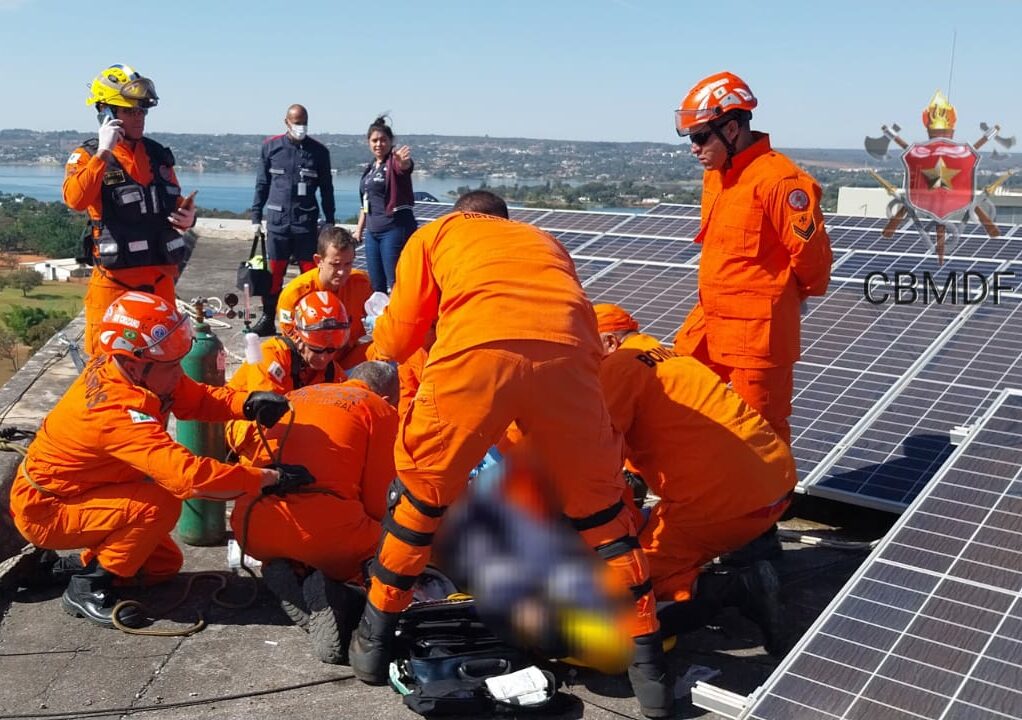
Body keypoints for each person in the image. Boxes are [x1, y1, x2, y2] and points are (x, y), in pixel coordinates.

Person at [349, 190, 674, 719]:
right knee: (608, 521)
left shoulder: (436, 234)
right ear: (506, 220)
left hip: (477, 355)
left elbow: (399, 334)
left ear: (462, 214)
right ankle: (651, 677)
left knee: (417, 507)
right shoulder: (543, 241)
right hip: (567, 361)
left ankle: (373, 643)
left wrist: (375, 346)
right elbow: (577, 320)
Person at [8, 291, 295, 628]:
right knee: (160, 504)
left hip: (84, 491)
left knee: (162, 567)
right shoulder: (115, 411)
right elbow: (189, 477)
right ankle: (89, 585)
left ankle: (90, 562)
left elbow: (195, 398)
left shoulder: (135, 372)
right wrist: (265, 479)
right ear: (134, 363)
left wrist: (246, 405)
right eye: (171, 366)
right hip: (47, 509)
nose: (178, 373)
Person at [594, 303, 795, 653]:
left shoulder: (617, 369)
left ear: (609, 342)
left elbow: (592, 450)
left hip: (726, 506)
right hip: (776, 484)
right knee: (648, 532)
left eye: (584, 349)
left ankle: (739, 590)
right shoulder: (669, 356)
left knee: (623, 583)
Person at [672, 71, 833, 444]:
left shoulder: (780, 182)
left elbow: (812, 259)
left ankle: (764, 502)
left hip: (756, 335)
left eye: (699, 137)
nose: (694, 149)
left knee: (759, 432)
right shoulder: (718, 175)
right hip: (711, 319)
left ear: (731, 129)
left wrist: (784, 299)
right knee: (669, 390)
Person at [231, 362, 399, 664]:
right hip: (323, 536)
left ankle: (293, 569)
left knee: (315, 531)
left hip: (250, 525)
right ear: (387, 399)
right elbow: (379, 502)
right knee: (398, 543)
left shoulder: (298, 394)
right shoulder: (378, 409)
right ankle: (342, 598)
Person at [64, 64, 197, 357]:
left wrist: (188, 217)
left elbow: (172, 202)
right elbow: (75, 199)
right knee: (106, 364)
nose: (138, 118)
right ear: (107, 113)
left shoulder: (157, 154)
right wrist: (103, 153)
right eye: (129, 111)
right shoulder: (86, 156)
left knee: (165, 361)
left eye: (142, 111)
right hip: (115, 283)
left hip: (160, 281)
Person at [225, 291, 350, 459]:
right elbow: (265, 413)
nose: (324, 357)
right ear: (298, 337)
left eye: (331, 350)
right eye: (317, 349)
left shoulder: (333, 372)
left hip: (297, 430)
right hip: (250, 427)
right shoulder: (270, 355)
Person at [250, 104, 335, 336]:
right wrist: (256, 215)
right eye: (296, 122)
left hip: (306, 224)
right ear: (286, 122)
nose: (301, 127)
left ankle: (311, 318)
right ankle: (269, 318)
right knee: (274, 274)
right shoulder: (271, 148)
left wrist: (330, 220)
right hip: (278, 223)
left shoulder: (319, 152)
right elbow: (262, 184)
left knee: (309, 275)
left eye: (304, 122)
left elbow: (327, 189)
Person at [275, 226, 373, 369]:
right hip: (311, 365)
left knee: (387, 350)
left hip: (347, 358)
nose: (342, 272)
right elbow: (293, 344)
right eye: (335, 264)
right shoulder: (294, 294)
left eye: (348, 264)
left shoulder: (361, 283)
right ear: (318, 260)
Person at [354, 116, 416, 293]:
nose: (379, 144)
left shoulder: (394, 162)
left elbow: (405, 167)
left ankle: (399, 317)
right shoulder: (371, 167)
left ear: (391, 142)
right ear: (368, 143)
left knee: (395, 282)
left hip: (394, 230)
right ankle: (380, 319)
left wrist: (404, 162)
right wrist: (359, 230)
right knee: (376, 285)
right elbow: (366, 202)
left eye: (383, 140)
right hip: (372, 234)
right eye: (374, 140)